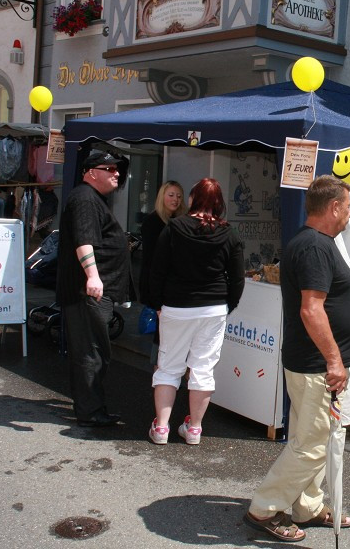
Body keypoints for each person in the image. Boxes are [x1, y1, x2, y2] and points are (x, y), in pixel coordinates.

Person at [244, 175, 350, 543]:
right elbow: (311, 310)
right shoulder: (314, 246)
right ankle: (264, 507)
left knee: (310, 437)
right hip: (316, 365)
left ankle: (307, 506)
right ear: (333, 207)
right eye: (347, 207)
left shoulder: (314, 242)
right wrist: (334, 361)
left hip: (310, 363)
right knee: (312, 444)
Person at [146, 178, 245, 445]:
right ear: (219, 203)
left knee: (168, 367)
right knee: (203, 367)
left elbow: (158, 270)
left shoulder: (174, 228)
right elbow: (237, 279)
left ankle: (162, 428)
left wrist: (157, 304)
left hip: (176, 307)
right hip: (213, 309)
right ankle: (195, 429)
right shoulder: (229, 233)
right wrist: (228, 306)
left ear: (192, 199)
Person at [57, 149, 130, 427]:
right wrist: (93, 276)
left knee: (95, 351)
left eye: (117, 170)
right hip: (86, 293)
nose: (116, 174)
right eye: (109, 169)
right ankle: (90, 412)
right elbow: (84, 240)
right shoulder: (85, 199)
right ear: (91, 172)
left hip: (93, 292)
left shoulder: (91, 198)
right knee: (92, 353)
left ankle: (91, 407)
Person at [138, 181, 187, 365]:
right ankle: (159, 371)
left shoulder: (179, 221)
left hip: (172, 287)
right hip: (159, 286)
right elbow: (152, 260)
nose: (175, 200)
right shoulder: (152, 222)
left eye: (179, 196)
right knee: (162, 334)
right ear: (162, 196)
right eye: (171, 195)